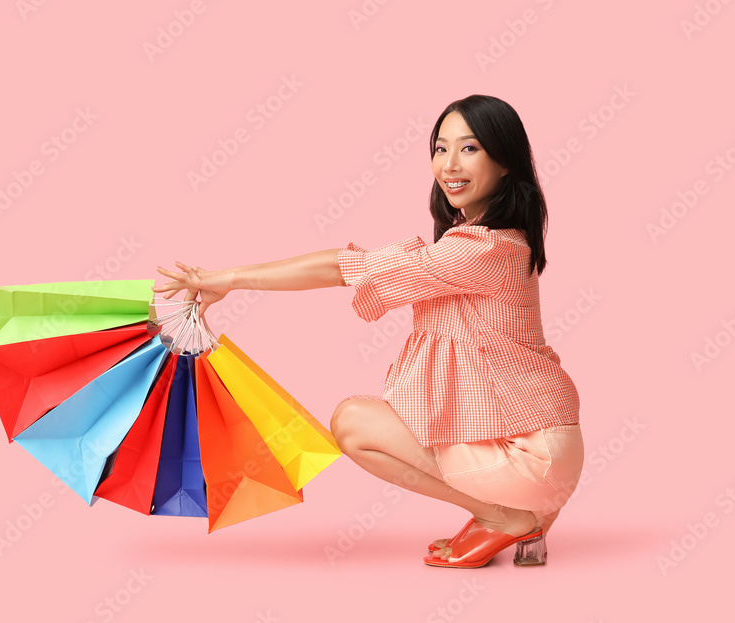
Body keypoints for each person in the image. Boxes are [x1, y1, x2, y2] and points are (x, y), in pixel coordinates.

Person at [152, 94, 584, 569]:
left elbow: (346, 268)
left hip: (528, 454)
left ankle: (506, 518)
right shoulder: (487, 243)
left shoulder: (483, 250)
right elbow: (353, 268)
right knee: (366, 420)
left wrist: (229, 279)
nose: (449, 164)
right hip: (537, 447)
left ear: (505, 163)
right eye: (440, 149)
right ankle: (513, 515)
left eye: (470, 148)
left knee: (352, 423)